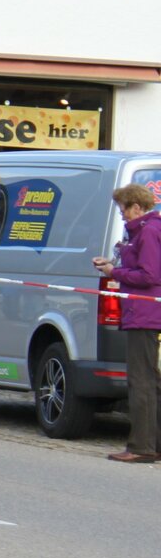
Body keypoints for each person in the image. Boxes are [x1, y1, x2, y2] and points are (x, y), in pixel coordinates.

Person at [95, 185, 161, 462]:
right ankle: (153, 444)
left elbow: (149, 275)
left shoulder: (148, 232)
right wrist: (114, 265)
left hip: (145, 314)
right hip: (148, 313)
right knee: (151, 380)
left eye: (123, 209)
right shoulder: (146, 231)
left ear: (136, 207)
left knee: (141, 380)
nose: (121, 214)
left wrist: (114, 272)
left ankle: (141, 446)